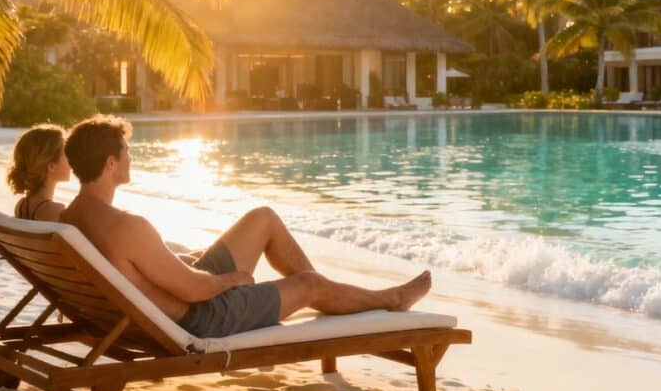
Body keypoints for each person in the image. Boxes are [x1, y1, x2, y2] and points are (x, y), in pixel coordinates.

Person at [59, 115, 432, 339]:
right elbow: (192, 289)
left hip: (160, 304)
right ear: (110, 164)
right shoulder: (128, 227)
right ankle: (386, 300)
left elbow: (140, 272)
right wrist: (233, 279)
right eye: (126, 152)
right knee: (310, 284)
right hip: (199, 317)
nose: (131, 157)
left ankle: (331, 298)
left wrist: (187, 264)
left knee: (262, 218)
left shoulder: (70, 218)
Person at [7, 124, 71, 222]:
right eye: (67, 154)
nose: (71, 159)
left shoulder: (21, 205)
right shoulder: (55, 211)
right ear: (51, 166)